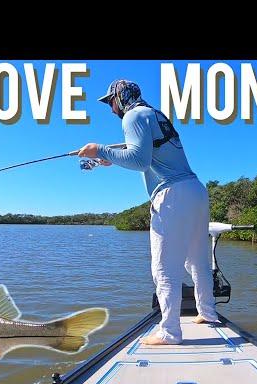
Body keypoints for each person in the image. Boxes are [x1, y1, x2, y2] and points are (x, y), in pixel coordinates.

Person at [78, 79, 219, 345]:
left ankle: (169, 332)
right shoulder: (154, 114)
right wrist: (108, 159)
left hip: (172, 194)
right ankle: (208, 313)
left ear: (120, 97)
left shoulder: (132, 116)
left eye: (110, 102)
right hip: (196, 191)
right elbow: (148, 151)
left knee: (163, 267)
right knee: (197, 260)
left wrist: (99, 149)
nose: (110, 109)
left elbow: (140, 161)